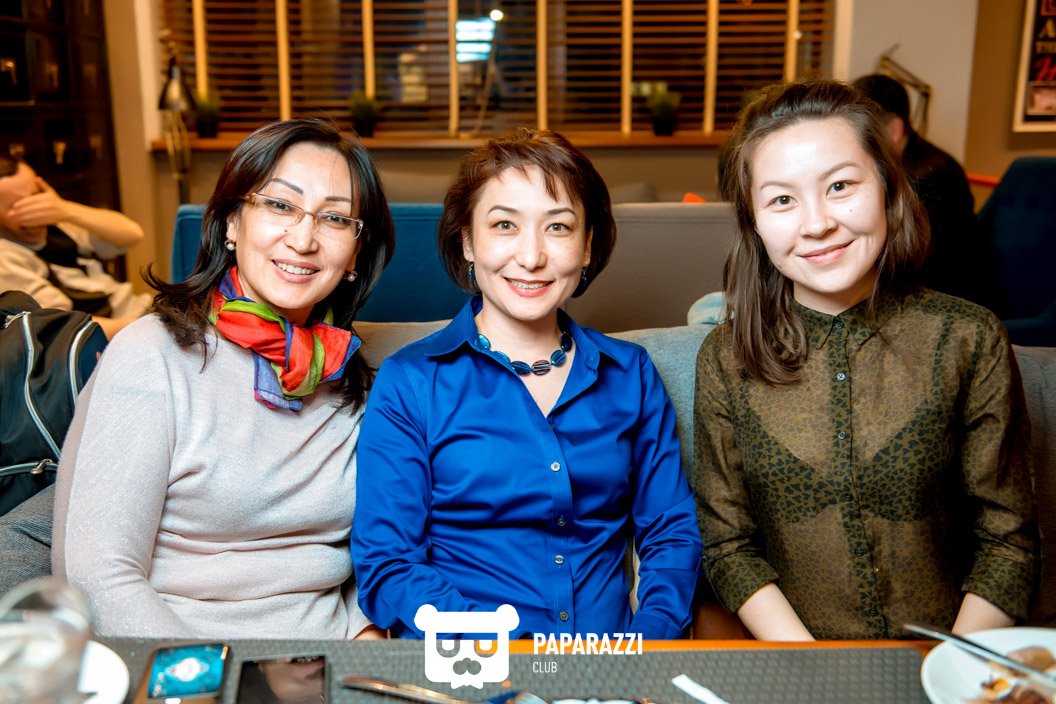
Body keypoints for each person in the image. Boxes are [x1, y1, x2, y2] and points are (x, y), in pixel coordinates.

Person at [694, 80, 1038, 641]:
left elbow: (1008, 542)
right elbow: (728, 545)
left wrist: (951, 672)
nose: (816, 224)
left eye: (840, 186)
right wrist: (814, 670)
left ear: (886, 187)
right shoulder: (726, 357)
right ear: (753, 221)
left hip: (951, 659)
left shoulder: (968, 338)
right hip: (798, 663)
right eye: (782, 199)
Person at [51, 118, 396, 639]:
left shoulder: (355, 372)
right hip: (180, 657)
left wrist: (364, 632)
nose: (303, 239)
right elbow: (96, 576)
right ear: (232, 222)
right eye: (280, 205)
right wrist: (205, 675)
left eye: (334, 218)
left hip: (327, 662)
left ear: (356, 251)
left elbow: (377, 553)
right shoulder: (152, 356)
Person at [352, 127, 701, 639]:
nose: (532, 257)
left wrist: (644, 649)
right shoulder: (411, 381)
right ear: (467, 242)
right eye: (504, 225)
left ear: (587, 246)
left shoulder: (631, 374)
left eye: (558, 227)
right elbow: (389, 566)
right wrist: (509, 656)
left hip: (609, 666)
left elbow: (671, 535)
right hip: (470, 666)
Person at [851, 74, 995, 308]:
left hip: (945, 297)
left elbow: (911, 256)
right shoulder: (895, 165)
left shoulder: (932, 174)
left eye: (863, 132)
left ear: (893, 130)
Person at [0, 156, 151, 338]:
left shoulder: (55, 220)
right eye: (17, 206)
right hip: (117, 333)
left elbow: (131, 235)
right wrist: (145, 327)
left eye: (35, 196)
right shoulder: (6, 259)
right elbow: (63, 327)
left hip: (138, 312)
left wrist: (64, 208)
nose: (34, 210)